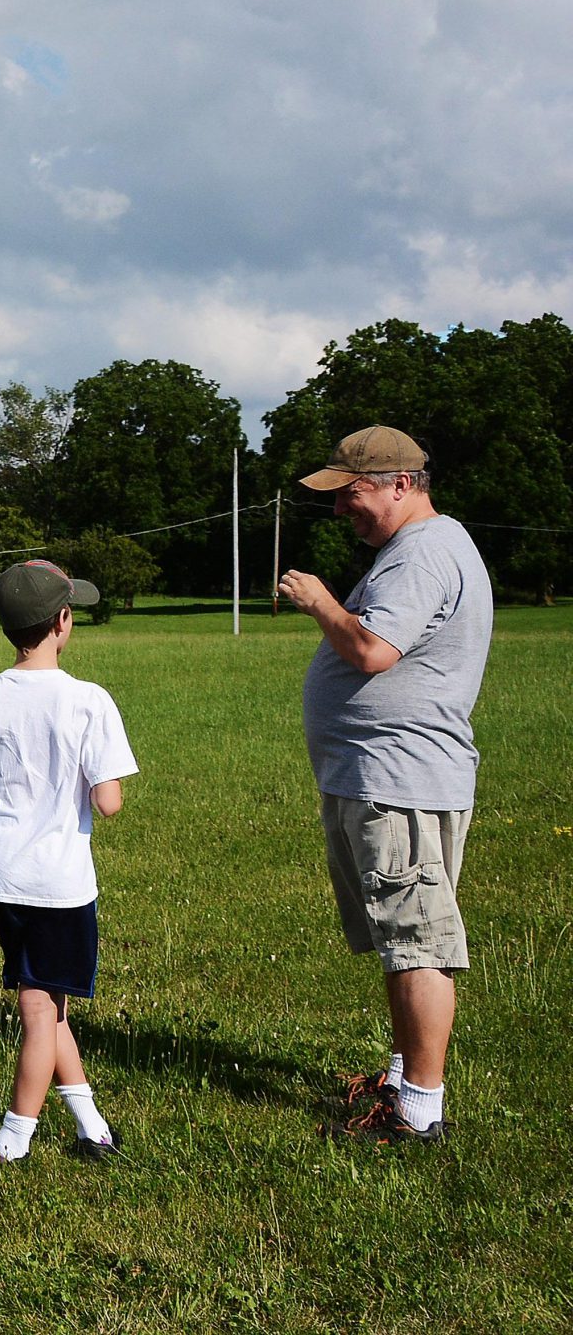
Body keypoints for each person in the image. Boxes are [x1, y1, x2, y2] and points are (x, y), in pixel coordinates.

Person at [277, 426, 492, 1144]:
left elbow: (371, 650)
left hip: (401, 777)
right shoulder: (416, 550)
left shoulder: (424, 555)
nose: (342, 510)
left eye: (353, 493)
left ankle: (418, 1111)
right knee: (399, 935)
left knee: (418, 940)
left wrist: (320, 602)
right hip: (381, 776)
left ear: (403, 483)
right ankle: (401, 1077)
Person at [0, 560, 136, 1164]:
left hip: (0, 875)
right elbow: (109, 803)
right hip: (59, 883)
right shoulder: (89, 700)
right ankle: (12, 1142)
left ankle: (93, 1129)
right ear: (63, 622)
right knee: (42, 1010)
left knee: (48, 998)